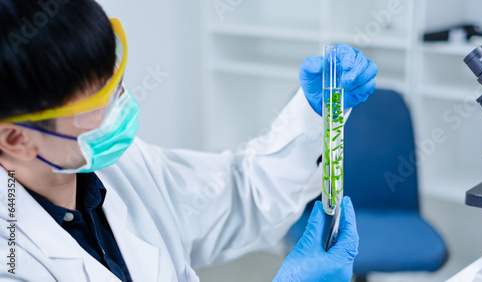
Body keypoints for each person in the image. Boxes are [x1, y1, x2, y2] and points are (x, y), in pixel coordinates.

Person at [0, 0, 377, 281]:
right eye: (98, 101)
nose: (123, 103)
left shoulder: (123, 167)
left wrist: (313, 115)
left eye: (116, 80)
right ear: (16, 138)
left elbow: (239, 195)